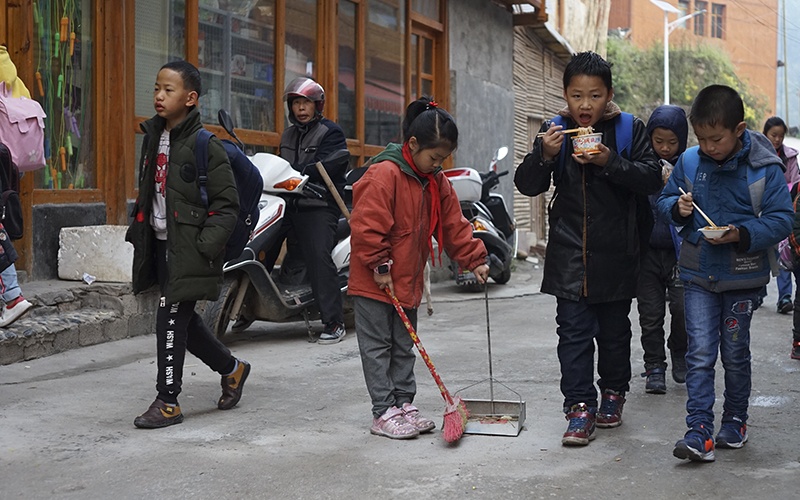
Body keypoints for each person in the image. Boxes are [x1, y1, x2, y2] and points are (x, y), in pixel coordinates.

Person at [514, 51, 662, 446]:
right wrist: (542, 154)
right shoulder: (554, 131)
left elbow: (652, 180)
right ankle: (579, 407)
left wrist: (610, 160)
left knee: (615, 333)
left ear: (608, 95)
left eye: (594, 96)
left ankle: (613, 394)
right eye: (577, 95)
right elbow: (528, 185)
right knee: (573, 335)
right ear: (565, 95)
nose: (585, 105)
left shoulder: (631, 129)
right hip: (568, 258)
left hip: (616, 256)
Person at [657, 84, 793, 462]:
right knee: (700, 352)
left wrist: (742, 234)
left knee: (734, 354)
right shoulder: (688, 162)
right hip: (698, 275)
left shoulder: (763, 168)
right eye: (701, 138)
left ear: (739, 129)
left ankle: (735, 420)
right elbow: (665, 201)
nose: (708, 147)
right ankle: (698, 429)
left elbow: (783, 219)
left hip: (742, 277)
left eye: (715, 139)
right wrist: (678, 207)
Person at [349, 96, 489, 439]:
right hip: (375, 282)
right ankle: (383, 411)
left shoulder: (435, 180)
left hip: (407, 282)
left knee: (403, 345)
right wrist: (380, 265)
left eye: (443, 158)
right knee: (378, 347)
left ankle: (403, 403)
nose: (438, 164)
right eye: (434, 157)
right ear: (412, 144)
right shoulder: (385, 174)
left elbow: (455, 224)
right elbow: (367, 226)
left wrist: (475, 258)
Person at [127, 60, 250, 429]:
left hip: (191, 250)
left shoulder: (206, 145)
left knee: (168, 320)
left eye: (169, 90)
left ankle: (168, 401)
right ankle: (233, 369)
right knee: (185, 322)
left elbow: (227, 206)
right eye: (156, 88)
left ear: (191, 98)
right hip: (161, 245)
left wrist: (204, 247)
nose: (159, 96)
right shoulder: (152, 137)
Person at [273, 76, 348, 344]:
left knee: (318, 254)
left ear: (317, 105)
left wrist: (300, 174)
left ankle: (333, 321)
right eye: (296, 103)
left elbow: (330, 165)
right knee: (261, 241)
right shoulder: (288, 134)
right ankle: (251, 303)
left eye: (306, 103)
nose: (301, 109)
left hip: (318, 206)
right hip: (287, 204)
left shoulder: (331, 133)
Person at [637, 105, 689, 394]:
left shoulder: (690, 167)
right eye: (659, 142)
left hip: (679, 253)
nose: (665, 148)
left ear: (682, 139)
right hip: (646, 254)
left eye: (672, 142)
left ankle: (679, 351)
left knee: (682, 310)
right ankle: (654, 365)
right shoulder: (642, 164)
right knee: (650, 314)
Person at [764, 116, 800, 314]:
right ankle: (758, 291)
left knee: (784, 251)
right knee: (760, 251)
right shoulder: (755, 154)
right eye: (773, 135)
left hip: (785, 208)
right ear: (765, 134)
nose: (777, 139)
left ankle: (784, 297)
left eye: (780, 136)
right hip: (761, 210)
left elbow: (795, 182)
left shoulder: (790, 157)